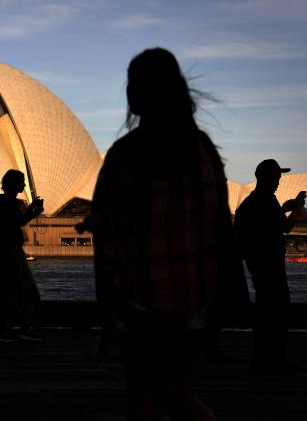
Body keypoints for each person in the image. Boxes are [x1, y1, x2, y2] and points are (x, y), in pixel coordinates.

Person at [91, 48, 234, 421]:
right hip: (195, 299)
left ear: (136, 94)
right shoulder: (202, 149)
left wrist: (107, 307)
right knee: (179, 394)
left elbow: (108, 239)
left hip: (141, 301)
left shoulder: (124, 154)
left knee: (142, 400)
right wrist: (222, 297)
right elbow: (221, 224)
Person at [233, 159, 305, 372]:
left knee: (265, 310)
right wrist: (298, 209)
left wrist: (284, 208)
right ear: (264, 179)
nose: (278, 182)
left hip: (258, 265)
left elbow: (267, 224)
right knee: (279, 310)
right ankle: (275, 359)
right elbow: (285, 228)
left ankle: (261, 358)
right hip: (270, 266)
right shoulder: (266, 200)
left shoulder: (253, 201)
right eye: (275, 178)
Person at [0, 169, 44, 342]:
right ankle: (16, 329)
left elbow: (15, 222)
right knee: (26, 290)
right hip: (11, 251)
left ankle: (9, 329)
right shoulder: (7, 203)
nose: (24, 185)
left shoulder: (2, 202)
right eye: (22, 182)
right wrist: (31, 213)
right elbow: (15, 224)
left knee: (11, 290)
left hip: (7, 251)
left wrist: (29, 212)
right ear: (13, 184)